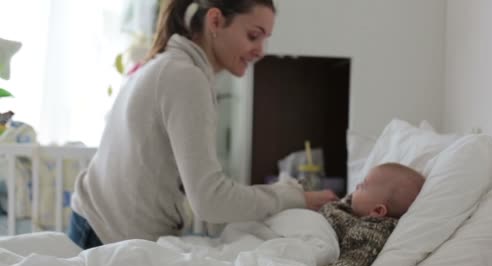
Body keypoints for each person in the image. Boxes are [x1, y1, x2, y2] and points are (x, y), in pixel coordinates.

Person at [68, 0, 337, 250]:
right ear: (215, 21)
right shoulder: (186, 77)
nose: (261, 51)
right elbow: (210, 201)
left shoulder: (170, 66)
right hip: (106, 236)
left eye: (265, 39)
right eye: (253, 36)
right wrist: (292, 196)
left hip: (97, 225)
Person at [318, 163, 425, 266]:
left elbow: (356, 260)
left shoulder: (372, 232)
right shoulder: (352, 208)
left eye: (363, 186)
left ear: (378, 211)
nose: (357, 186)